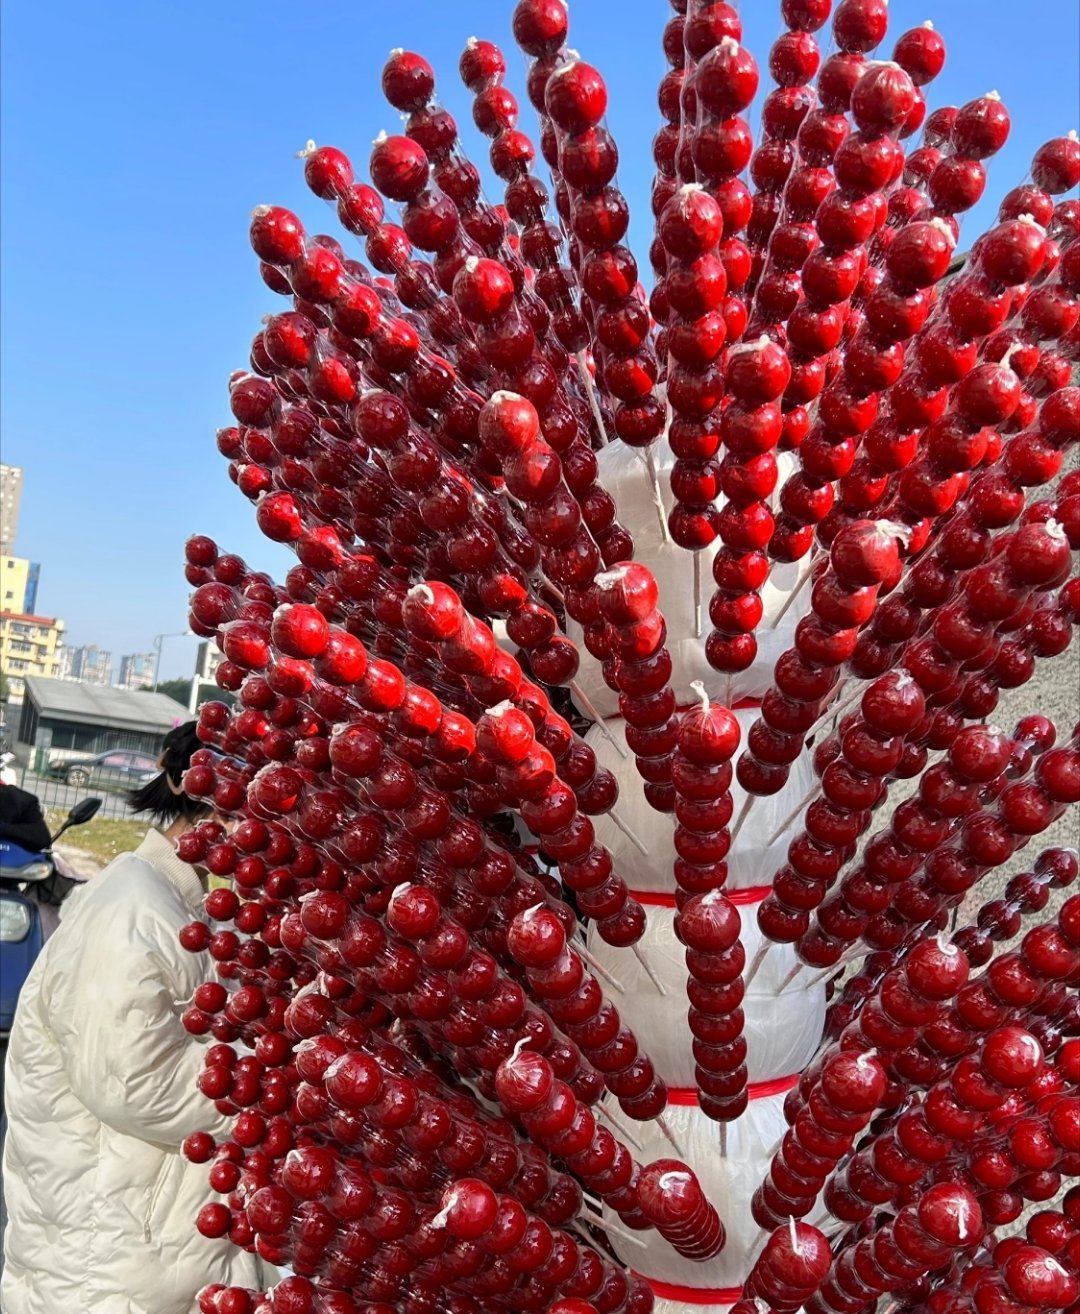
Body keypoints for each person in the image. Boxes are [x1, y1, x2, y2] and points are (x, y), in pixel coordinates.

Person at [1, 722, 261, 1314]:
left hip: (160, 1246)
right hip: (106, 1260)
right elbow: (134, 1083)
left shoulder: (196, 908)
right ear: (182, 782)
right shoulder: (131, 909)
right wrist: (281, 1081)